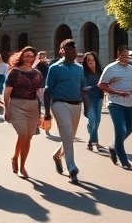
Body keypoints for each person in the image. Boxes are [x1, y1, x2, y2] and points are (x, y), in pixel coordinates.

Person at [43, 38, 88, 183]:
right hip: (60, 104)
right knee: (68, 134)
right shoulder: (55, 68)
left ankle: (57, 156)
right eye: (67, 49)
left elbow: (83, 89)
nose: (71, 51)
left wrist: (87, 106)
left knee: (69, 137)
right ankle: (72, 168)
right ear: (61, 51)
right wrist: (47, 112)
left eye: (73, 49)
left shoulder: (79, 68)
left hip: (76, 105)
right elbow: (48, 90)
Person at [4, 46, 44, 178]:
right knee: (23, 134)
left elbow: (40, 94)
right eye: (26, 56)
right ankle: (15, 158)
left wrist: (42, 113)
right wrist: (6, 109)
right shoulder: (15, 72)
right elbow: (7, 92)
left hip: (32, 107)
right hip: (17, 105)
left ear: (34, 58)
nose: (29, 58)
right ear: (22, 57)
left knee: (29, 138)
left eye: (31, 56)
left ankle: (22, 166)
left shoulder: (37, 74)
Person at [99, 44, 132, 170]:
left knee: (130, 128)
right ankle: (124, 160)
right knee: (121, 130)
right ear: (120, 54)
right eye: (125, 53)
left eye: (129, 53)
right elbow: (101, 85)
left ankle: (113, 146)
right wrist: (117, 92)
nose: (128, 56)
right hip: (115, 103)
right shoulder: (111, 68)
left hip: (130, 103)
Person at [82, 51, 104, 151]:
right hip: (88, 99)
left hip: (99, 98)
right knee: (93, 120)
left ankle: (92, 140)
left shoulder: (100, 71)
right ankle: (94, 141)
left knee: (98, 120)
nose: (90, 61)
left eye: (92, 59)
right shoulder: (83, 71)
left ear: (95, 60)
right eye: (88, 60)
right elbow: (81, 86)